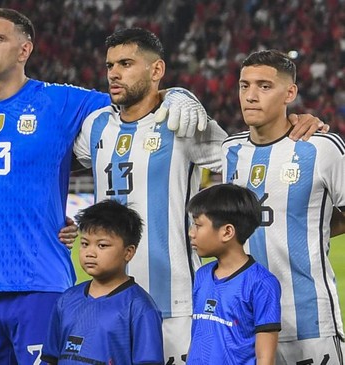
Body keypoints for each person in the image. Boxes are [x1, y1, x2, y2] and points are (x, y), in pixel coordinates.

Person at [0, 9, 209, 364]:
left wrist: (175, 94)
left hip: (42, 284)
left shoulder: (61, 101)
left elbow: (134, 96)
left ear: (24, 50)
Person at [73, 28, 326, 363]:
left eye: (126, 63)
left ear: (156, 71)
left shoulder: (183, 121)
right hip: (110, 300)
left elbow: (246, 152)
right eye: (109, 65)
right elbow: (55, 164)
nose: (114, 73)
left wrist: (296, 122)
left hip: (177, 303)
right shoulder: (96, 126)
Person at [223, 49, 345, 364]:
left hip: (309, 320)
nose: (250, 95)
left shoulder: (322, 148)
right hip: (245, 320)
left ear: (290, 92)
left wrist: (309, 230)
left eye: (264, 86)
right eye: (244, 85)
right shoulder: (227, 151)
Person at [41, 199, 164, 365]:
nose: (90, 253)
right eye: (85, 243)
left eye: (102, 245)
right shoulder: (66, 300)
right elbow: (50, 358)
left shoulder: (139, 307)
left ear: (128, 252)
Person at [186, 184, 281, 365]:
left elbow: (265, 357)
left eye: (198, 225)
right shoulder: (202, 275)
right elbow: (198, 336)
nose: (191, 233)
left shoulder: (262, 283)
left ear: (227, 232)